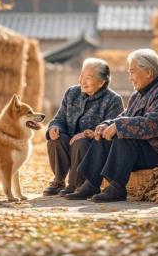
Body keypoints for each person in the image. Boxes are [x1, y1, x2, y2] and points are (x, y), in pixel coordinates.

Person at [66, 48, 158, 202]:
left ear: (149, 73)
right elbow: (124, 117)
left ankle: (116, 188)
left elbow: (154, 124)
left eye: (132, 72)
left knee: (124, 136)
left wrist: (118, 126)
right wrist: (106, 124)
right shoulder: (138, 95)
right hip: (146, 147)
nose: (129, 77)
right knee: (103, 136)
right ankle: (91, 184)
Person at [43, 58, 124, 197]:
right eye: (81, 76)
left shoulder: (113, 100)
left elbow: (110, 127)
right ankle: (58, 180)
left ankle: (76, 184)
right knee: (56, 139)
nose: (82, 81)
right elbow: (60, 118)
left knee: (80, 142)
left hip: (92, 145)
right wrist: (54, 127)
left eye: (88, 78)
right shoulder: (71, 93)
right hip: (69, 141)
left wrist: (89, 133)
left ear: (101, 82)